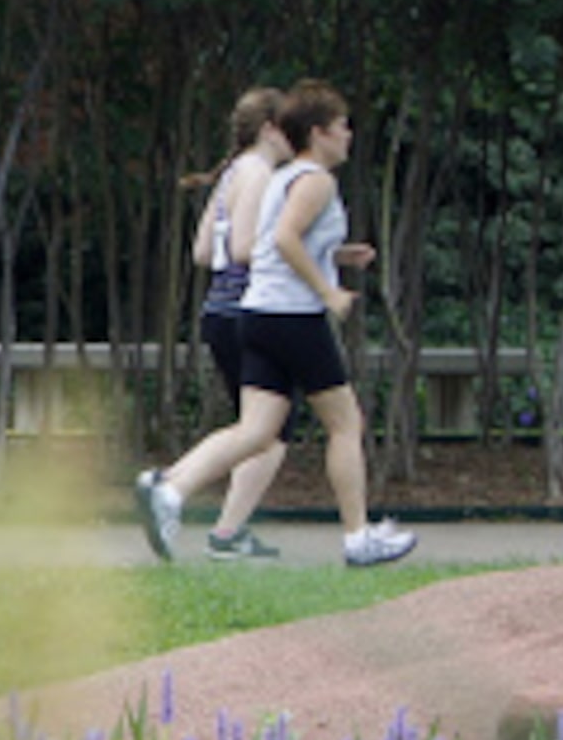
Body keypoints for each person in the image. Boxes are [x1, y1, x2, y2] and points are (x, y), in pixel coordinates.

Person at [134, 79, 416, 568]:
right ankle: (358, 537)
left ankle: (171, 490)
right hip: (293, 317)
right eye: (343, 126)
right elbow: (285, 239)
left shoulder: (281, 178)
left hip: (258, 314)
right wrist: (328, 291)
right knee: (346, 423)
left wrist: (336, 256)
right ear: (319, 133)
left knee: (258, 431)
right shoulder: (315, 180)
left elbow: (272, 244)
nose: (349, 135)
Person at [187, 87, 295, 559]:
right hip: (250, 311)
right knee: (267, 430)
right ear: (271, 128)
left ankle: (228, 531)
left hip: (218, 311)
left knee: (262, 429)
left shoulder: (232, 172)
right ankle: (176, 490)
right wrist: (300, 256)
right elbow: (244, 248)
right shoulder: (260, 173)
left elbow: (203, 252)